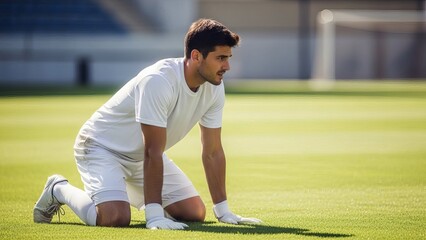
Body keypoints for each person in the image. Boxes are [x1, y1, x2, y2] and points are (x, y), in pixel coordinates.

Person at [33, 18, 261, 230]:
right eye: (220, 58)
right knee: (115, 218)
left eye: (228, 58)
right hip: (100, 147)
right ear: (196, 56)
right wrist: (154, 216)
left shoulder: (215, 87)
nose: (227, 66)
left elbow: (212, 151)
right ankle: (58, 189)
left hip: (140, 155)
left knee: (194, 212)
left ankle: (122, 193)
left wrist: (223, 211)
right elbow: (153, 150)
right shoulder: (158, 81)